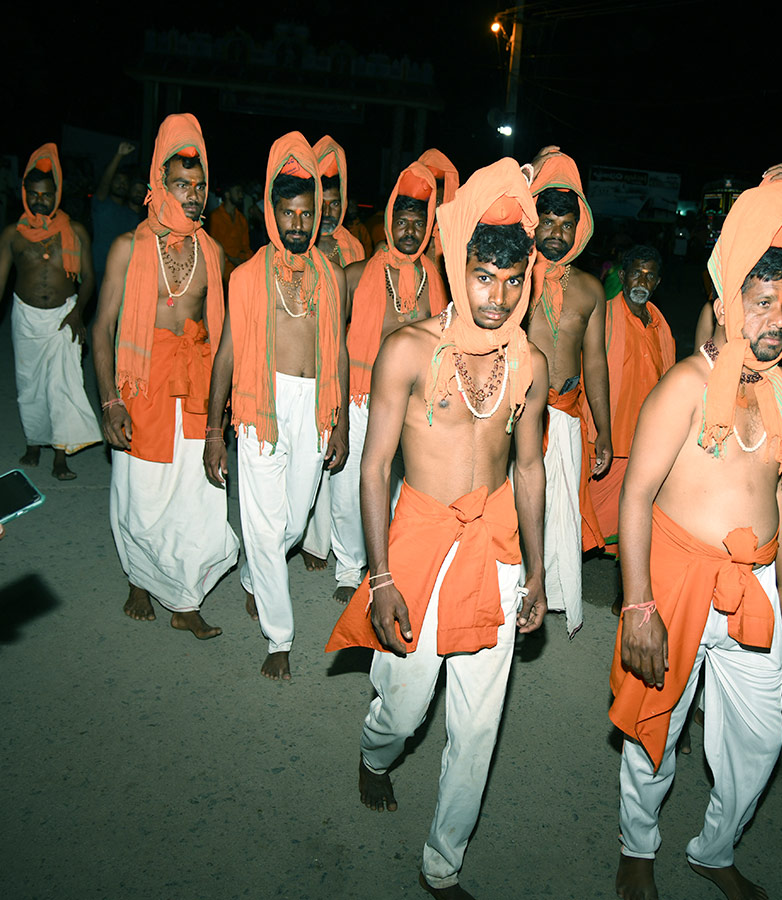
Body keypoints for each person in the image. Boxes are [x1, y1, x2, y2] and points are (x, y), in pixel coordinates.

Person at [326, 158, 548, 900]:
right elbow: (372, 467)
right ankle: (374, 753)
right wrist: (379, 575)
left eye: (513, 281)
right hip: (419, 538)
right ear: (461, 267)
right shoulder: (409, 350)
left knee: (478, 723)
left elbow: (529, 471)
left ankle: (442, 861)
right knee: (407, 701)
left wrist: (539, 574)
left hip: (496, 544)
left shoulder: (529, 364)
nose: (498, 297)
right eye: (485, 276)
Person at [609, 173, 782, 900]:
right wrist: (638, 605)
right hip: (679, 582)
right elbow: (635, 495)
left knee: (761, 743)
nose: (777, 320)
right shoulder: (686, 388)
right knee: (655, 726)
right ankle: (638, 845)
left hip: (752, 586)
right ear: (729, 306)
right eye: (763, 302)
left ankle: (714, 849)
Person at [205, 133, 349, 680]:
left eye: (305, 214)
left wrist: (340, 429)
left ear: (316, 217)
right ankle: (279, 636)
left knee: (290, 521)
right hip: (260, 405)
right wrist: (215, 431)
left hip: (314, 409)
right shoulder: (246, 277)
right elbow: (226, 356)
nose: (296, 224)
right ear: (272, 212)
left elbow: (335, 351)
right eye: (287, 213)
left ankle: (251, 574)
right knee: (266, 528)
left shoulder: (332, 279)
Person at [92, 113, 239, 640]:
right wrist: (109, 402)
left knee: (196, 498)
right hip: (141, 387)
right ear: (160, 183)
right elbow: (102, 327)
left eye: (200, 186)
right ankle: (138, 579)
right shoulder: (128, 249)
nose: (195, 195)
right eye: (183, 184)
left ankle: (184, 598)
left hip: (195, 388)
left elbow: (222, 339)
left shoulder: (212, 251)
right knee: (140, 493)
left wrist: (226, 417)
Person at [300, 162, 447, 596]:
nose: (409, 232)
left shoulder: (435, 281)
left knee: (411, 487)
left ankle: (396, 561)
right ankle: (351, 569)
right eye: (402, 222)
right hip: (364, 399)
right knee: (352, 486)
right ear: (388, 221)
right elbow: (330, 343)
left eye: (418, 224)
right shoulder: (356, 274)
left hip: (417, 403)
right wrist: (336, 404)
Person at [524, 148, 612, 636]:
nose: (555, 233)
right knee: (521, 503)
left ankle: (553, 595)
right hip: (521, 414)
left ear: (579, 228)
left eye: (565, 224)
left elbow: (594, 362)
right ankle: (514, 588)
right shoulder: (514, 274)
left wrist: (605, 430)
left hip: (569, 414)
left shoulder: (590, 290)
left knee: (560, 510)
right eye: (547, 221)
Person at [0, 143, 101, 480]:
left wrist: (78, 314)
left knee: (63, 384)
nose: (39, 201)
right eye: (32, 194)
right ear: (24, 194)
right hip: (26, 316)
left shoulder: (74, 232)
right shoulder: (12, 235)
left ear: (56, 194)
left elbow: (89, 278)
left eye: (45, 195)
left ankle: (60, 454)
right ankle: (35, 441)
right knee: (29, 384)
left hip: (65, 314)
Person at [584, 244, 673, 592]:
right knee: (582, 514)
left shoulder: (660, 324)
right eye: (637, 272)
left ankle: (627, 593)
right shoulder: (603, 315)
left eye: (650, 275)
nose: (643, 280)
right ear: (622, 276)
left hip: (644, 440)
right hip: (606, 437)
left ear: (658, 282)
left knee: (636, 519)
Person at [312, 136, 366, 268]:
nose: (327, 212)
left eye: (334, 204)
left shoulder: (354, 247)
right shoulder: (296, 243)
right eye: (321, 203)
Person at [91, 141, 142, 279]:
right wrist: (119, 155)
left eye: (125, 182)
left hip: (126, 273)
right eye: (118, 180)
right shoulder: (101, 205)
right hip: (101, 271)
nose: (121, 184)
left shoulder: (132, 215)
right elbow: (104, 183)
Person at [207, 183, 253, 283]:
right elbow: (211, 248)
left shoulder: (241, 219)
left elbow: (246, 247)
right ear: (227, 194)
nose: (241, 195)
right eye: (237, 192)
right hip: (222, 270)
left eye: (241, 192)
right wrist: (231, 259)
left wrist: (244, 261)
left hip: (240, 269)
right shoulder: (215, 217)